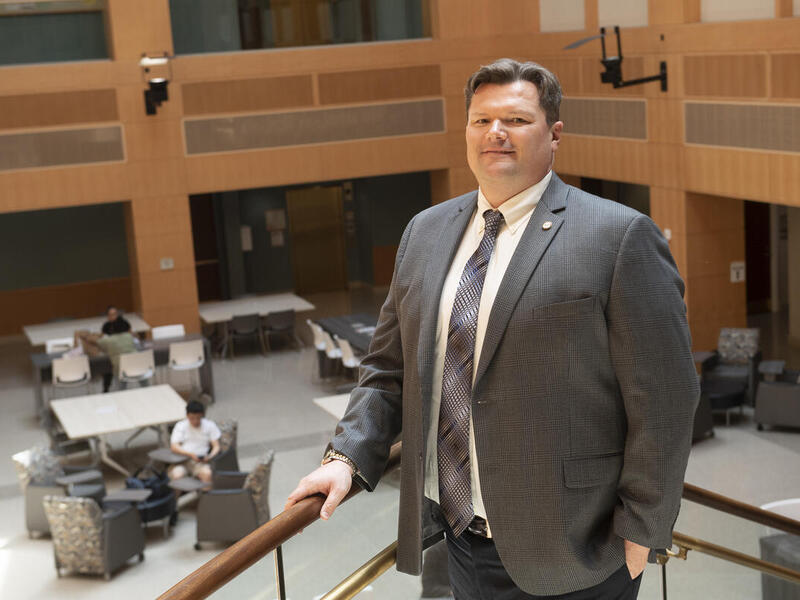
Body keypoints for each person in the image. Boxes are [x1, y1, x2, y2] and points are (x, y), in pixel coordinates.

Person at [286, 58, 699, 599]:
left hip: (580, 549)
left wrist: (641, 536)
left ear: (554, 135)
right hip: (457, 536)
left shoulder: (619, 237)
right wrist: (346, 458)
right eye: (480, 121)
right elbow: (388, 366)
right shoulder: (426, 231)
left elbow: (664, 400)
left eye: (516, 120)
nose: (495, 133)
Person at [168, 400, 220, 485]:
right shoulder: (180, 426)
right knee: (177, 475)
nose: (195, 421)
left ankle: (206, 497)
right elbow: (174, 446)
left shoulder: (210, 425)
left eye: (198, 418)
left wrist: (210, 456)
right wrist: (190, 454)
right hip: (183, 460)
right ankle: (175, 498)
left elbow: (216, 446)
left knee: (207, 474)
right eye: (192, 418)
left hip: (200, 462)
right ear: (187, 416)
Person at [101, 306, 132, 392]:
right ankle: (107, 388)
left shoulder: (124, 323)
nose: (113, 316)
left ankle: (119, 388)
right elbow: (103, 339)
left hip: (123, 356)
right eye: (110, 315)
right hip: (113, 354)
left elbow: (131, 334)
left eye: (114, 314)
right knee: (107, 365)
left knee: (119, 365)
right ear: (108, 316)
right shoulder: (106, 326)